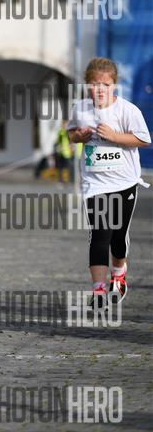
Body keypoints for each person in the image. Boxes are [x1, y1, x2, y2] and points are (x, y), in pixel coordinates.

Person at [67, 57, 150, 309]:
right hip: (95, 184)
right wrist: (79, 136)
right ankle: (99, 291)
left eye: (105, 84)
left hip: (124, 182)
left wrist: (115, 136)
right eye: (94, 84)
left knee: (118, 236)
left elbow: (144, 140)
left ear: (114, 85)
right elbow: (71, 133)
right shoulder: (81, 109)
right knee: (100, 234)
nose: (100, 89)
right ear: (87, 85)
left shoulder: (127, 110)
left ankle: (119, 271)